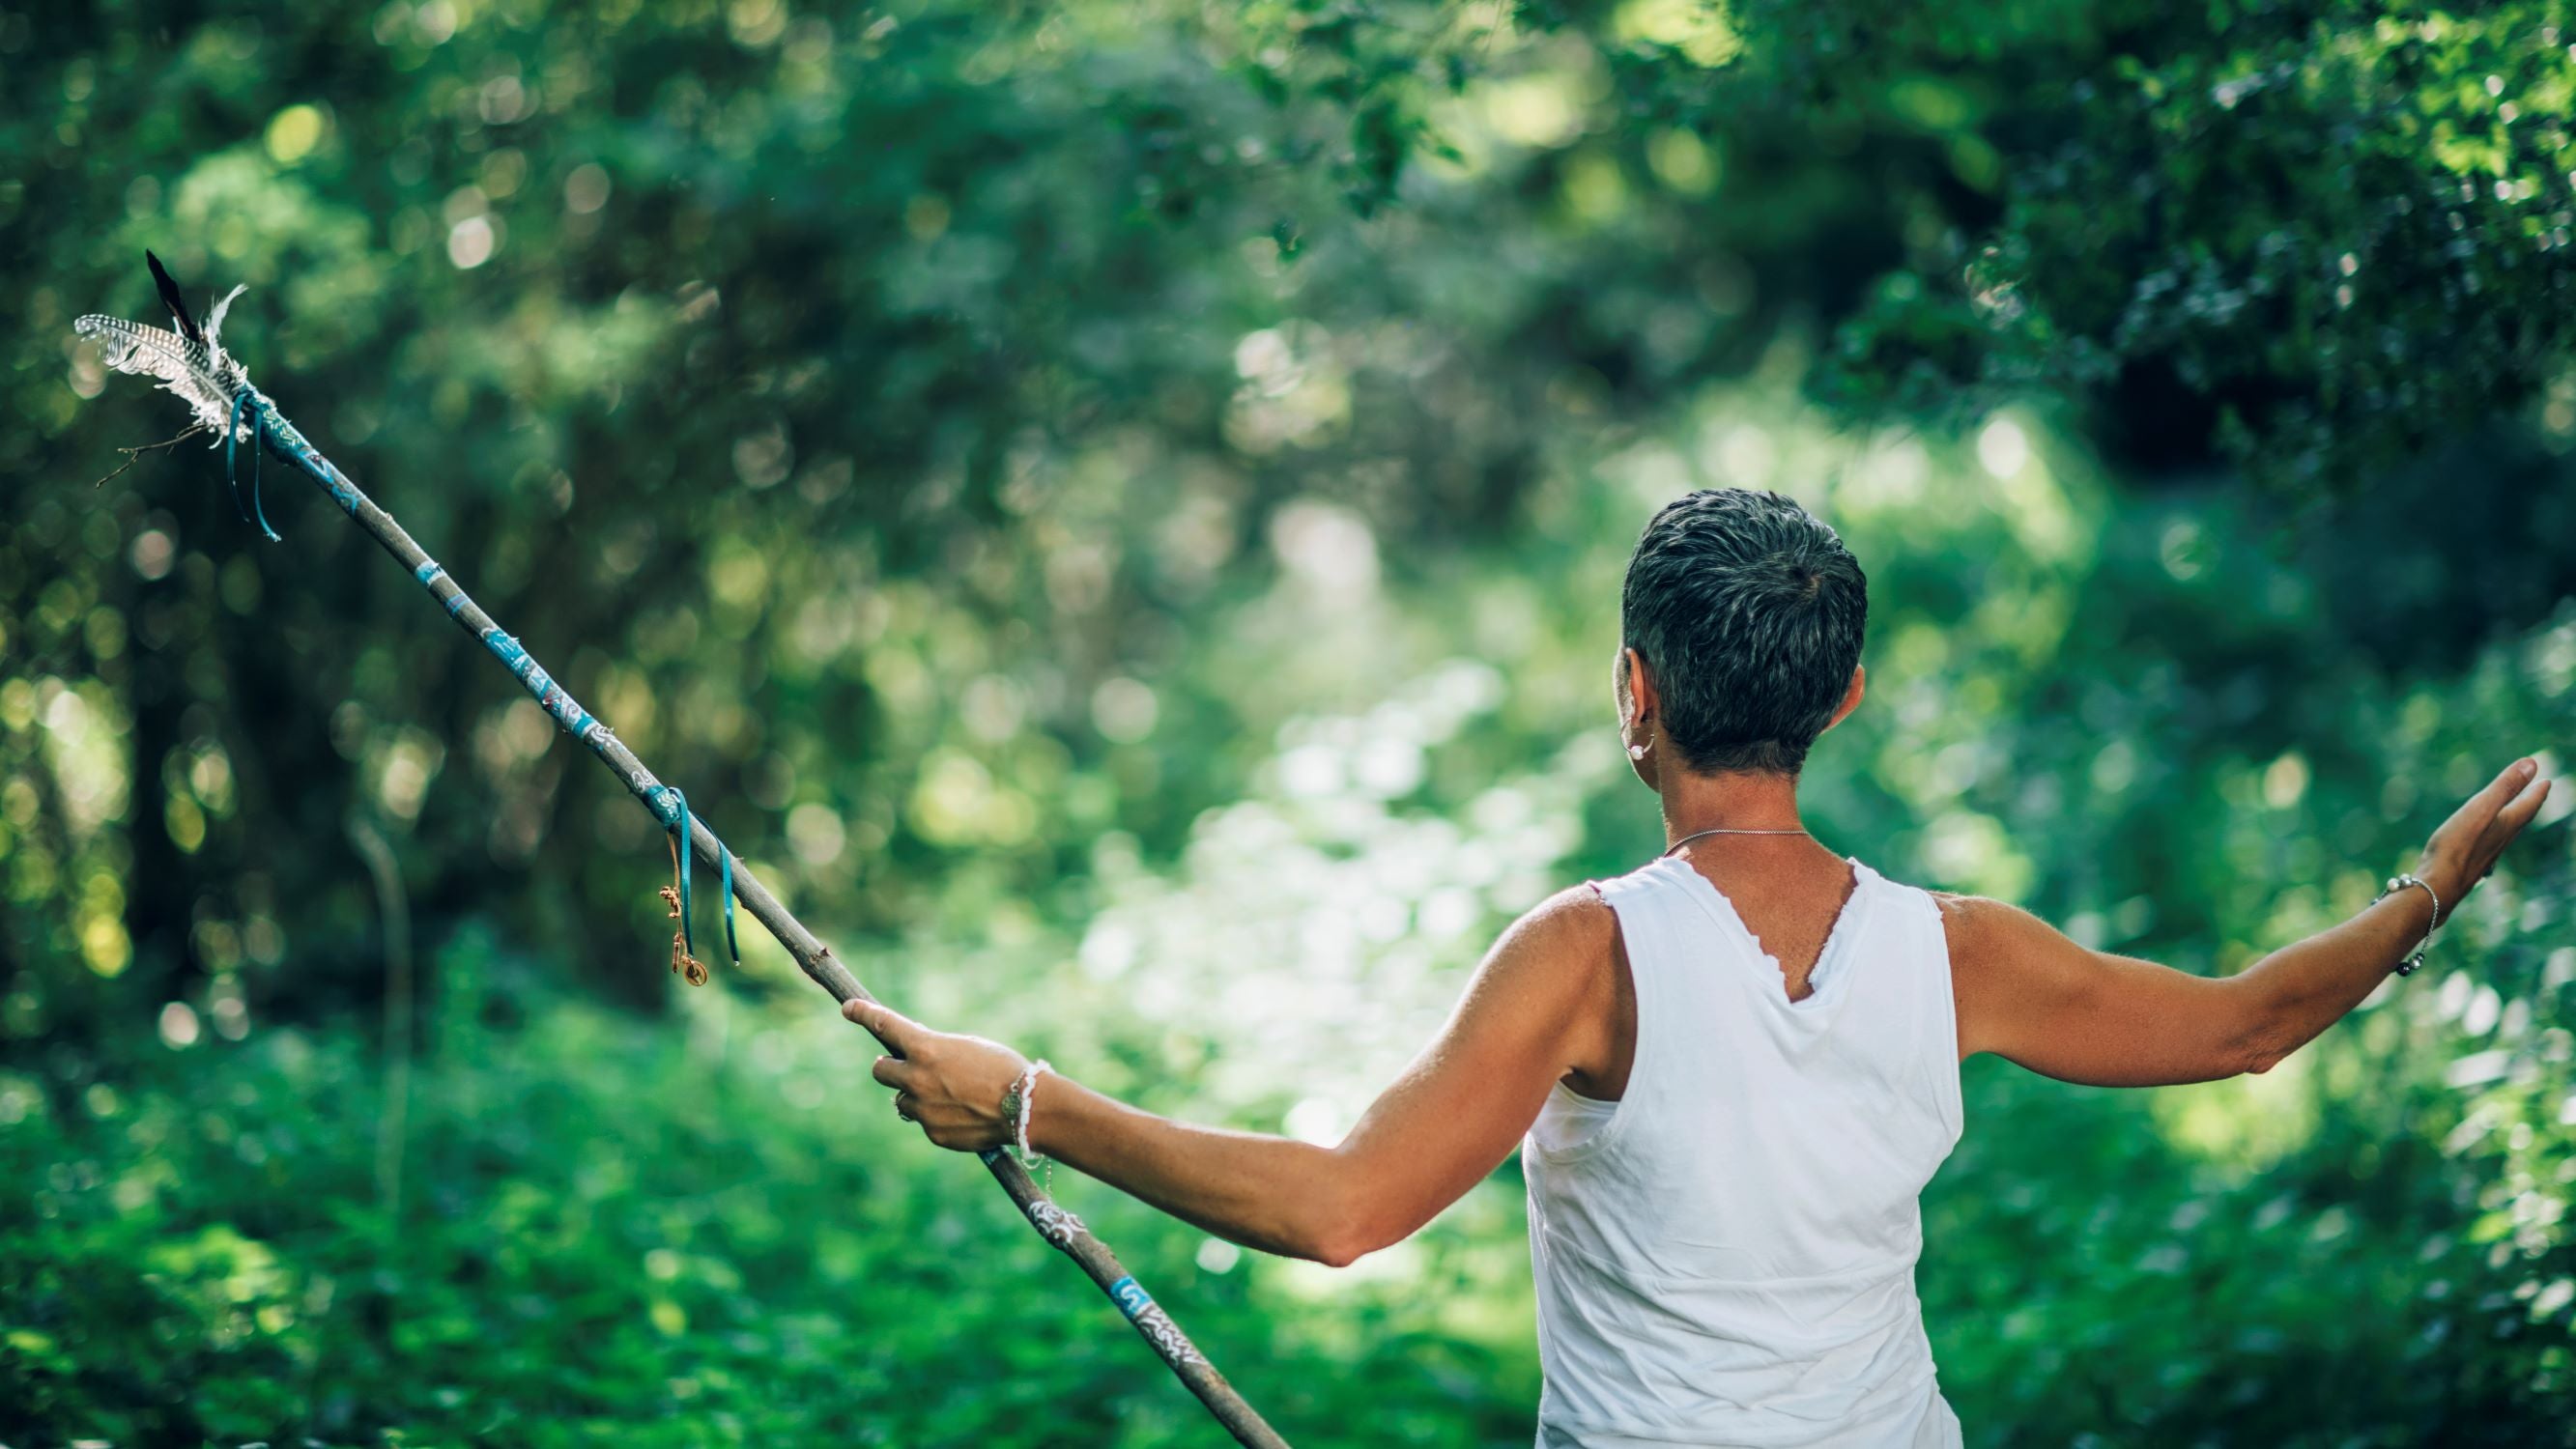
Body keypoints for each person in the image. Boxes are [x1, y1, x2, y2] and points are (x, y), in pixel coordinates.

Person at [844, 488, 2553, 1447]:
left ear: (1633, 692)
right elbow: (2250, 1024)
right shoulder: (1956, 954)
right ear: (1845, 696)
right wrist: (2422, 892)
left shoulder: (1587, 953)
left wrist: (1033, 1104)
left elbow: (1345, 1211)